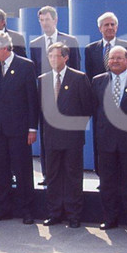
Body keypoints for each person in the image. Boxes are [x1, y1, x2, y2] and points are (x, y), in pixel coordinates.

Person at [90, 45, 127, 232]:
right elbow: (94, 108)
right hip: (105, 139)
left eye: (118, 58)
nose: (114, 61)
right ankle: (110, 218)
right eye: (111, 58)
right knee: (107, 182)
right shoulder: (98, 81)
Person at [38, 43, 94, 228]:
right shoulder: (43, 79)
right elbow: (41, 110)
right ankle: (54, 213)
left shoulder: (79, 78)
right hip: (51, 137)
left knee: (73, 176)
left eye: (57, 56)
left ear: (66, 57)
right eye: (50, 56)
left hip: (72, 138)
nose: (54, 60)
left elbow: (87, 107)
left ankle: (73, 215)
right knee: (52, 175)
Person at [0, 30, 38, 224]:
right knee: (0, 172)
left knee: (22, 171)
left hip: (20, 130)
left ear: (4, 48)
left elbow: (32, 99)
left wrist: (33, 128)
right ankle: (2, 209)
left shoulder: (25, 66)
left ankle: (27, 210)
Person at [28, 5, 81, 186]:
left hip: (67, 98)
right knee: (46, 137)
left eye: (47, 20)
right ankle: (47, 174)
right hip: (46, 97)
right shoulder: (35, 44)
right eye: (41, 20)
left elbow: (77, 70)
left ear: (55, 20)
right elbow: (35, 73)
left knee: (68, 139)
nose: (44, 23)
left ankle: (67, 174)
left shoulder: (70, 40)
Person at [84, 11, 127, 80]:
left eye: (112, 24)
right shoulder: (90, 49)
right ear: (100, 28)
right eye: (106, 25)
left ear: (116, 27)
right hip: (99, 89)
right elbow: (89, 76)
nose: (110, 27)